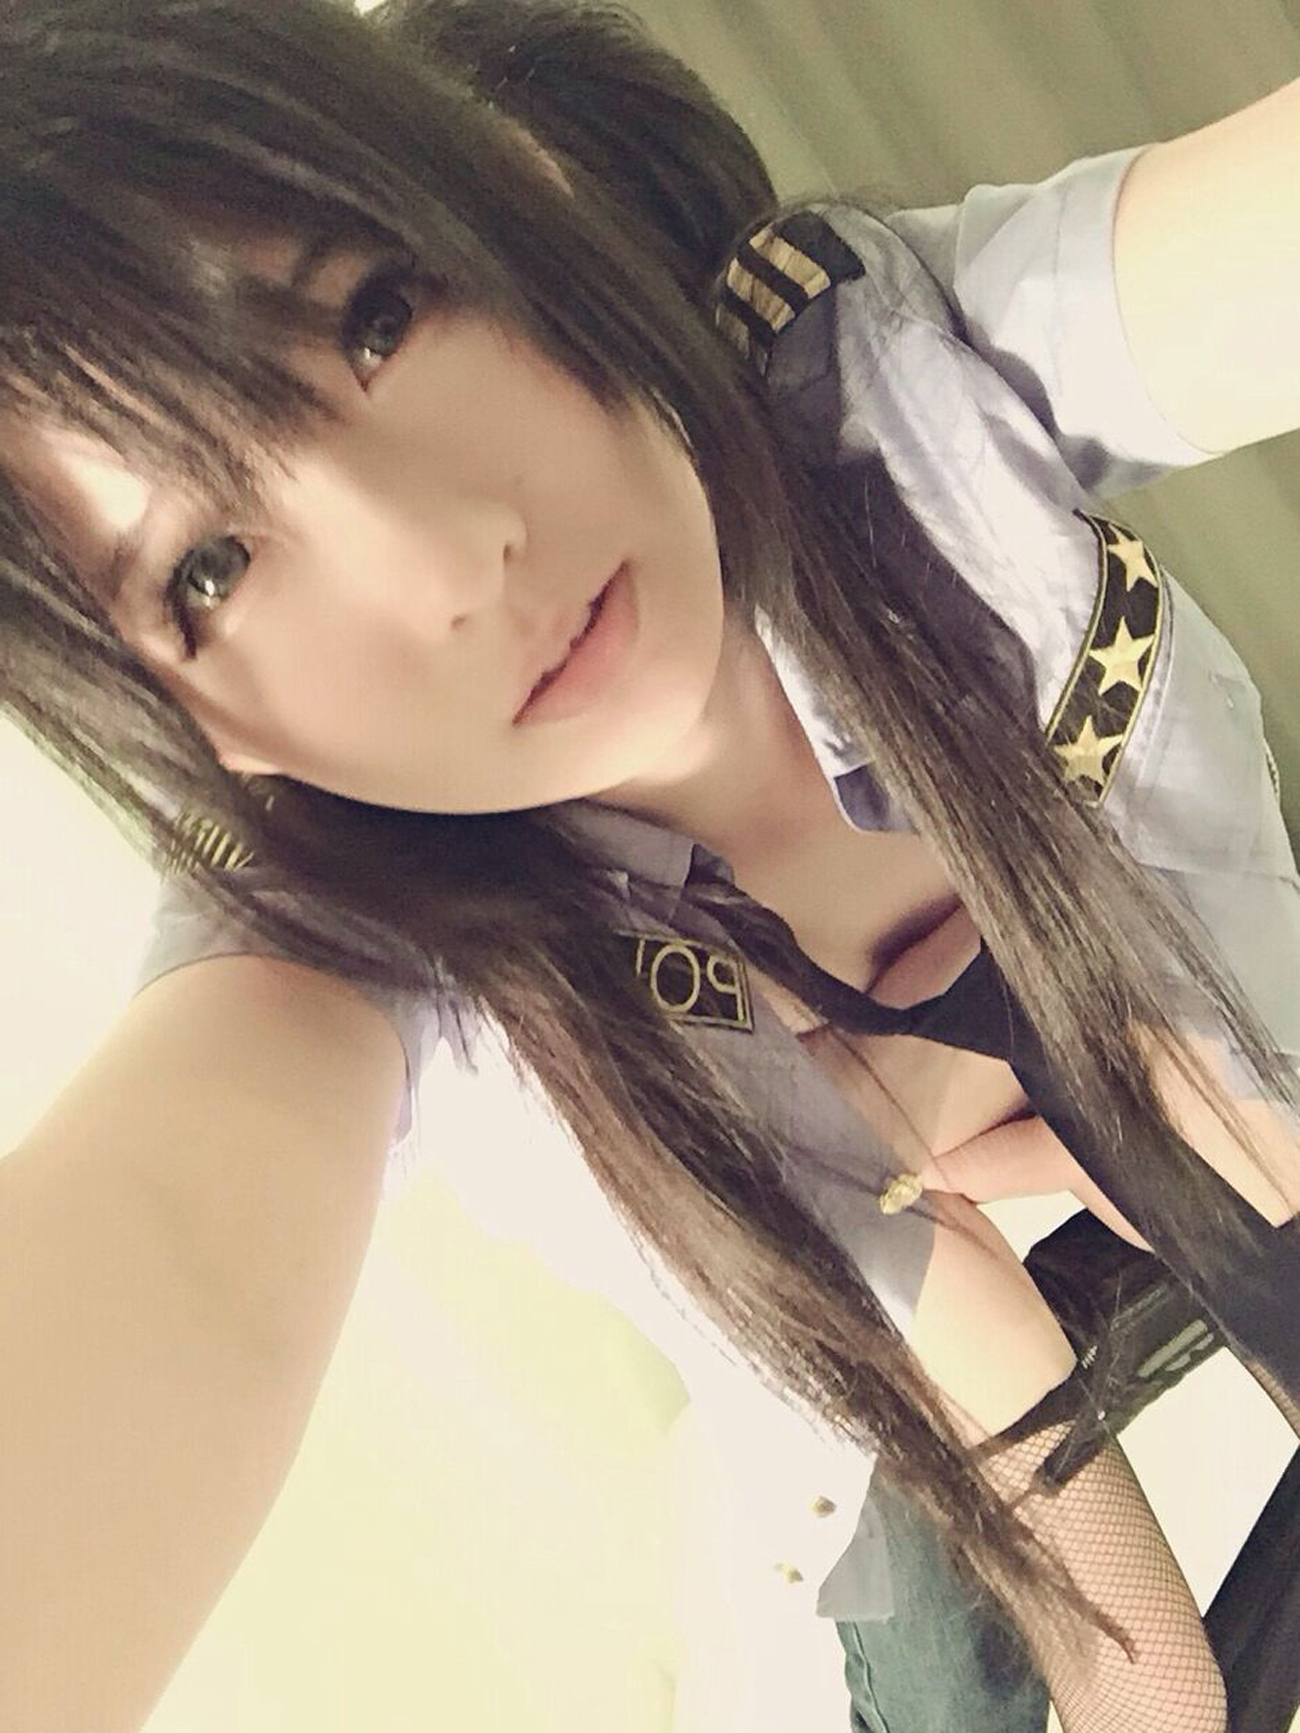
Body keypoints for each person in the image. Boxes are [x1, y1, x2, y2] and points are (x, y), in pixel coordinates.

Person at [0, 0, 1295, 1728]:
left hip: (1201, 1097)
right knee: (967, 1666)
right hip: (896, 1394)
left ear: (514, 206)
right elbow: (173, 1244)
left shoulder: (903, 392)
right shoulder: (364, 935)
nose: (454, 558)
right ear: (193, 726)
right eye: (210, 572)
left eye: (378, 315)